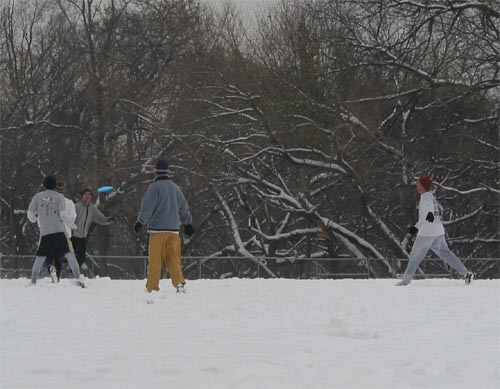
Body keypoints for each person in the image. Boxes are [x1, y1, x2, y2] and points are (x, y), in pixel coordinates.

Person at [397, 176, 474, 286]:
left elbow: (429, 211)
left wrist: (429, 216)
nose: (417, 185)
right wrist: (416, 227)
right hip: (438, 230)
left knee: (416, 253)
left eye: (418, 183)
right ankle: (466, 273)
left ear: (423, 185)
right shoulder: (430, 196)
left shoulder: (425, 197)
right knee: (445, 254)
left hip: (428, 231)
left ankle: (406, 279)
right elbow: (425, 216)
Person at [134, 159, 195, 297]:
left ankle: (152, 287)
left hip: (157, 230)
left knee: (155, 260)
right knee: (174, 259)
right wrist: (188, 223)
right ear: (168, 171)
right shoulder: (175, 188)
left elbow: (147, 208)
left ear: (156, 171)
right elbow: (183, 207)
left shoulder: (154, 188)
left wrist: (140, 222)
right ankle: (179, 283)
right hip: (173, 230)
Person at [27, 175, 84, 287]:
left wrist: (35, 219)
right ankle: (78, 279)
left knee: (40, 258)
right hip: (59, 232)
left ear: (44, 185)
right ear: (55, 185)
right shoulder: (59, 197)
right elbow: (63, 214)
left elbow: (30, 214)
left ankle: (33, 281)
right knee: (70, 255)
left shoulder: (37, 197)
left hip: (45, 232)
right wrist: (73, 226)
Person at [44, 179, 77, 282]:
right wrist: (71, 226)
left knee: (48, 254)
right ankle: (57, 276)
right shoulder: (69, 203)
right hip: (64, 234)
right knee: (59, 256)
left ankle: (50, 267)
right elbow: (73, 217)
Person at [71, 188, 112, 268]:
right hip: (73, 236)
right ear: (82, 196)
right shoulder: (76, 207)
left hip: (83, 237)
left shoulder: (92, 208)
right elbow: (70, 219)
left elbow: (99, 218)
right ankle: (59, 267)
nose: (88, 196)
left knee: (81, 257)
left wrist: (108, 220)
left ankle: (72, 272)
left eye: (89, 194)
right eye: (86, 194)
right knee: (70, 256)